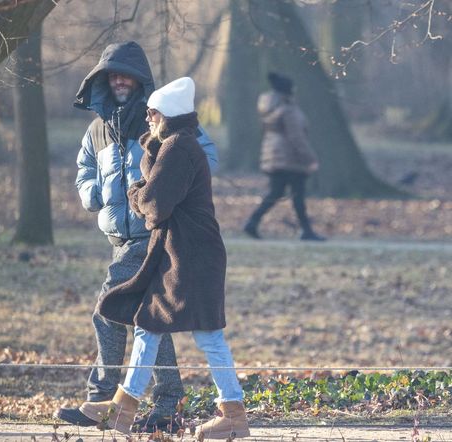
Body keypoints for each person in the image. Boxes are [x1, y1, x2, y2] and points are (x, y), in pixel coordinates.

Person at [55, 42, 219, 431]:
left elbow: (206, 158)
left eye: (126, 74)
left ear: (140, 79)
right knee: (150, 319)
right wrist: (92, 194)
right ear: (103, 81)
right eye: (113, 75)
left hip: (155, 232)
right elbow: (83, 170)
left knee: (107, 308)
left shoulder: (166, 121)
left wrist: (161, 186)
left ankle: (102, 398)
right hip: (121, 241)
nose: (119, 80)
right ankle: (167, 405)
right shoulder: (97, 129)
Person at [74, 77, 250, 439]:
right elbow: (157, 196)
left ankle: (232, 413)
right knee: (149, 325)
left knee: (207, 335)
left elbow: (153, 208)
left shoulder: (179, 148)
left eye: (152, 113)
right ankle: (124, 406)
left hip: (192, 257)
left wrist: (136, 191)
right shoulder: (173, 145)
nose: (147, 118)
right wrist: (148, 170)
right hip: (179, 253)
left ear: (165, 114)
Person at [243, 72, 325, 241]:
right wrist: (310, 159)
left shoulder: (270, 108)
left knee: (276, 193)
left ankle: (252, 222)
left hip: (274, 157)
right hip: (290, 159)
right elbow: (297, 138)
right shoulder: (288, 110)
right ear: (289, 91)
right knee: (298, 197)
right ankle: (306, 231)